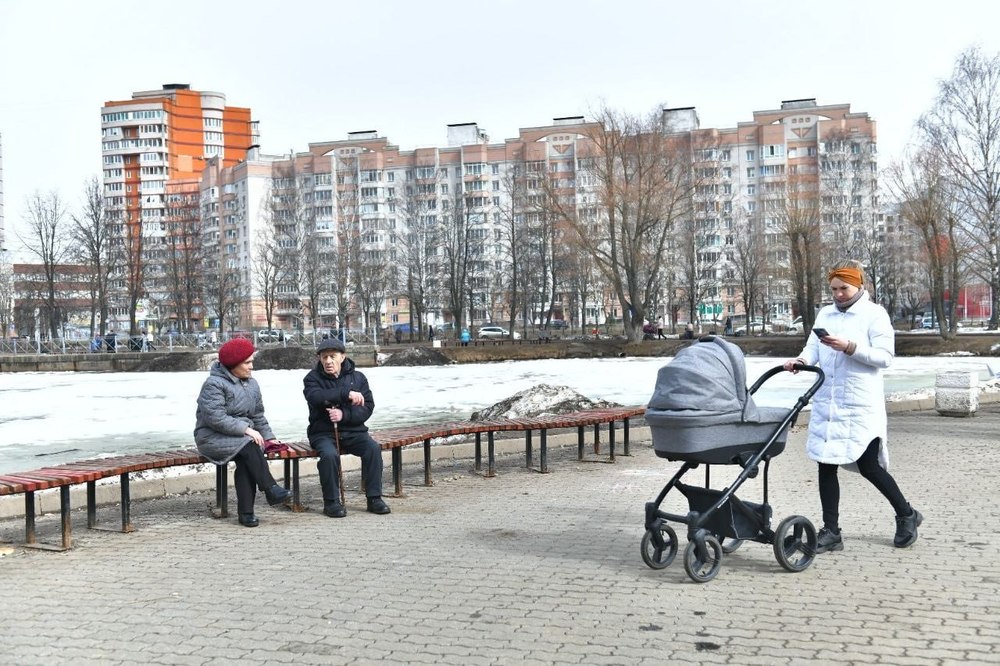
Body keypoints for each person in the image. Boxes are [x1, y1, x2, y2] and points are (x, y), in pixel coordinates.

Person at [783, 260, 922, 553]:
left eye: (843, 288)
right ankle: (831, 531)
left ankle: (906, 513)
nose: (838, 294)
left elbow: (885, 357)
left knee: (869, 465)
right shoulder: (825, 313)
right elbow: (812, 347)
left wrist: (849, 347)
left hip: (859, 403)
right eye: (833, 289)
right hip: (829, 402)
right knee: (825, 464)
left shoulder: (874, 315)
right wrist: (802, 361)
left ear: (859, 285)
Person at [194, 337, 291, 527]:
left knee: (248, 458)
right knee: (249, 445)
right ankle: (270, 488)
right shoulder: (213, 384)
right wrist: (246, 430)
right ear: (233, 364)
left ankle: (247, 513)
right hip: (211, 437)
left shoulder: (252, 384)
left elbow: (258, 415)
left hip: (241, 438)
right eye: (247, 362)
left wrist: (270, 438)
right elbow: (215, 418)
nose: (251, 366)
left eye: (251, 361)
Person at [303, 338, 391, 518]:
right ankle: (332, 502)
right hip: (323, 432)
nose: (328, 361)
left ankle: (374, 498)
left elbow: (368, 407)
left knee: (372, 449)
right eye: (324, 357)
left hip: (353, 430)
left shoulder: (358, 378)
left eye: (332, 356)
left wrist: (345, 415)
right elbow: (317, 397)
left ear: (342, 357)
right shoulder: (312, 378)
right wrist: (346, 394)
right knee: (329, 455)